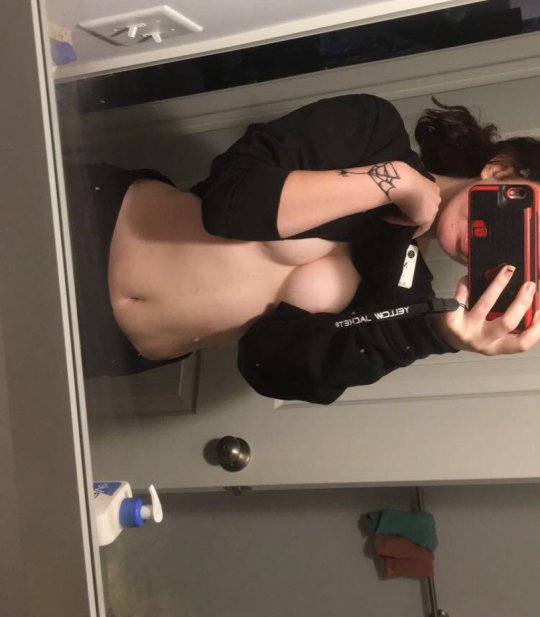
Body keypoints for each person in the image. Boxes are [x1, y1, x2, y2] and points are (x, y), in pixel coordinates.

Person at [66, 93, 540, 403]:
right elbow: (228, 204)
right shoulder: (371, 132)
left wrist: (436, 336)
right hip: (81, 229)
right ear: (500, 173)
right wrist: (389, 181)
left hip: (103, 349)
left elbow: (270, 368)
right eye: (527, 222)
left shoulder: (407, 298)